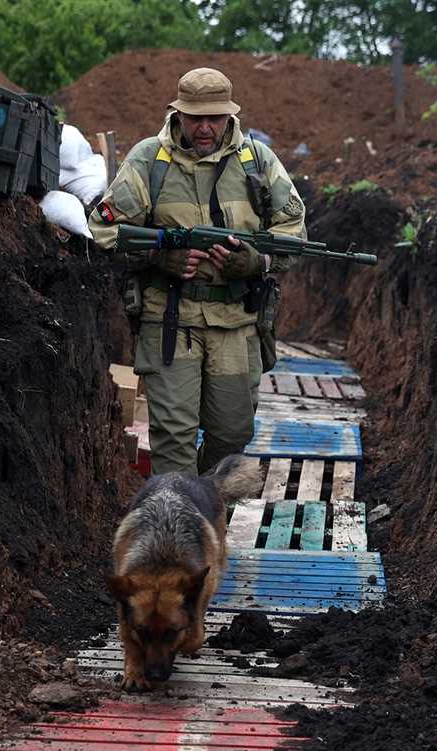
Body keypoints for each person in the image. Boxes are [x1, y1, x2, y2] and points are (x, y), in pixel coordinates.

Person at [87, 67, 307, 475]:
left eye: (215, 118)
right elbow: (104, 228)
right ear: (178, 114)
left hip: (236, 323)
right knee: (174, 438)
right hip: (169, 321)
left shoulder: (257, 160)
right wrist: (158, 256)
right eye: (195, 118)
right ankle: (182, 532)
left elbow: (293, 231)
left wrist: (257, 262)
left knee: (232, 435)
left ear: (230, 115)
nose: (205, 128)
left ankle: (206, 510)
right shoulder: (150, 160)